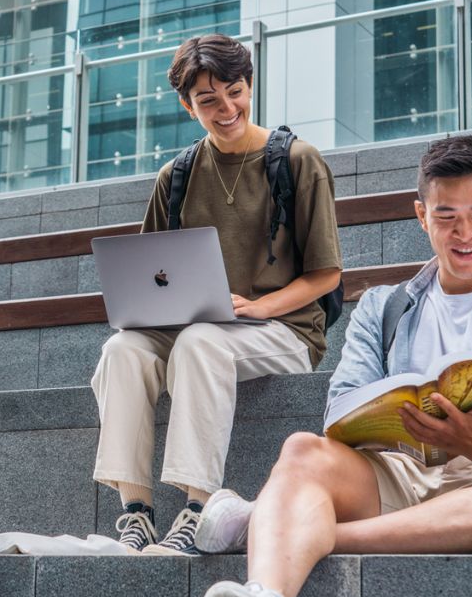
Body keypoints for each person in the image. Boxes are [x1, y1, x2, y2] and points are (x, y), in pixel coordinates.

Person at [195, 135, 472, 597]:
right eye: (446, 217)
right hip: (398, 474)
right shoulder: (381, 307)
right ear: (420, 215)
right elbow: (342, 409)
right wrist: (400, 427)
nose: (465, 233)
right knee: (302, 450)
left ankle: (296, 530)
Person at [90, 33, 343, 555]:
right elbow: (149, 272)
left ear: (250, 85)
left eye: (235, 91)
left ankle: (197, 506)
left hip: (286, 329)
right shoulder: (176, 176)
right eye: (208, 100)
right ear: (188, 106)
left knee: (203, 341)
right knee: (121, 351)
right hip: (197, 328)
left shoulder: (299, 161)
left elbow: (326, 275)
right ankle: (136, 513)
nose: (226, 107)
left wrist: (257, 307)